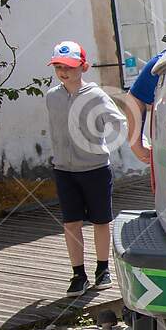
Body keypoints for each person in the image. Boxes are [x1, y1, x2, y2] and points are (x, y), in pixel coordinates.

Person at [44, 40, 127, 293]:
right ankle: (78, 275)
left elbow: (119, 122)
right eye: (58, 66)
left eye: (69, 65)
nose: (63, 71)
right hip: (64, 170)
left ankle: (103, 270)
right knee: (71, 223)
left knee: (101, 221)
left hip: (95, 169)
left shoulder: (96, 95)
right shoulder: (52, 96)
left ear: (84, 66)